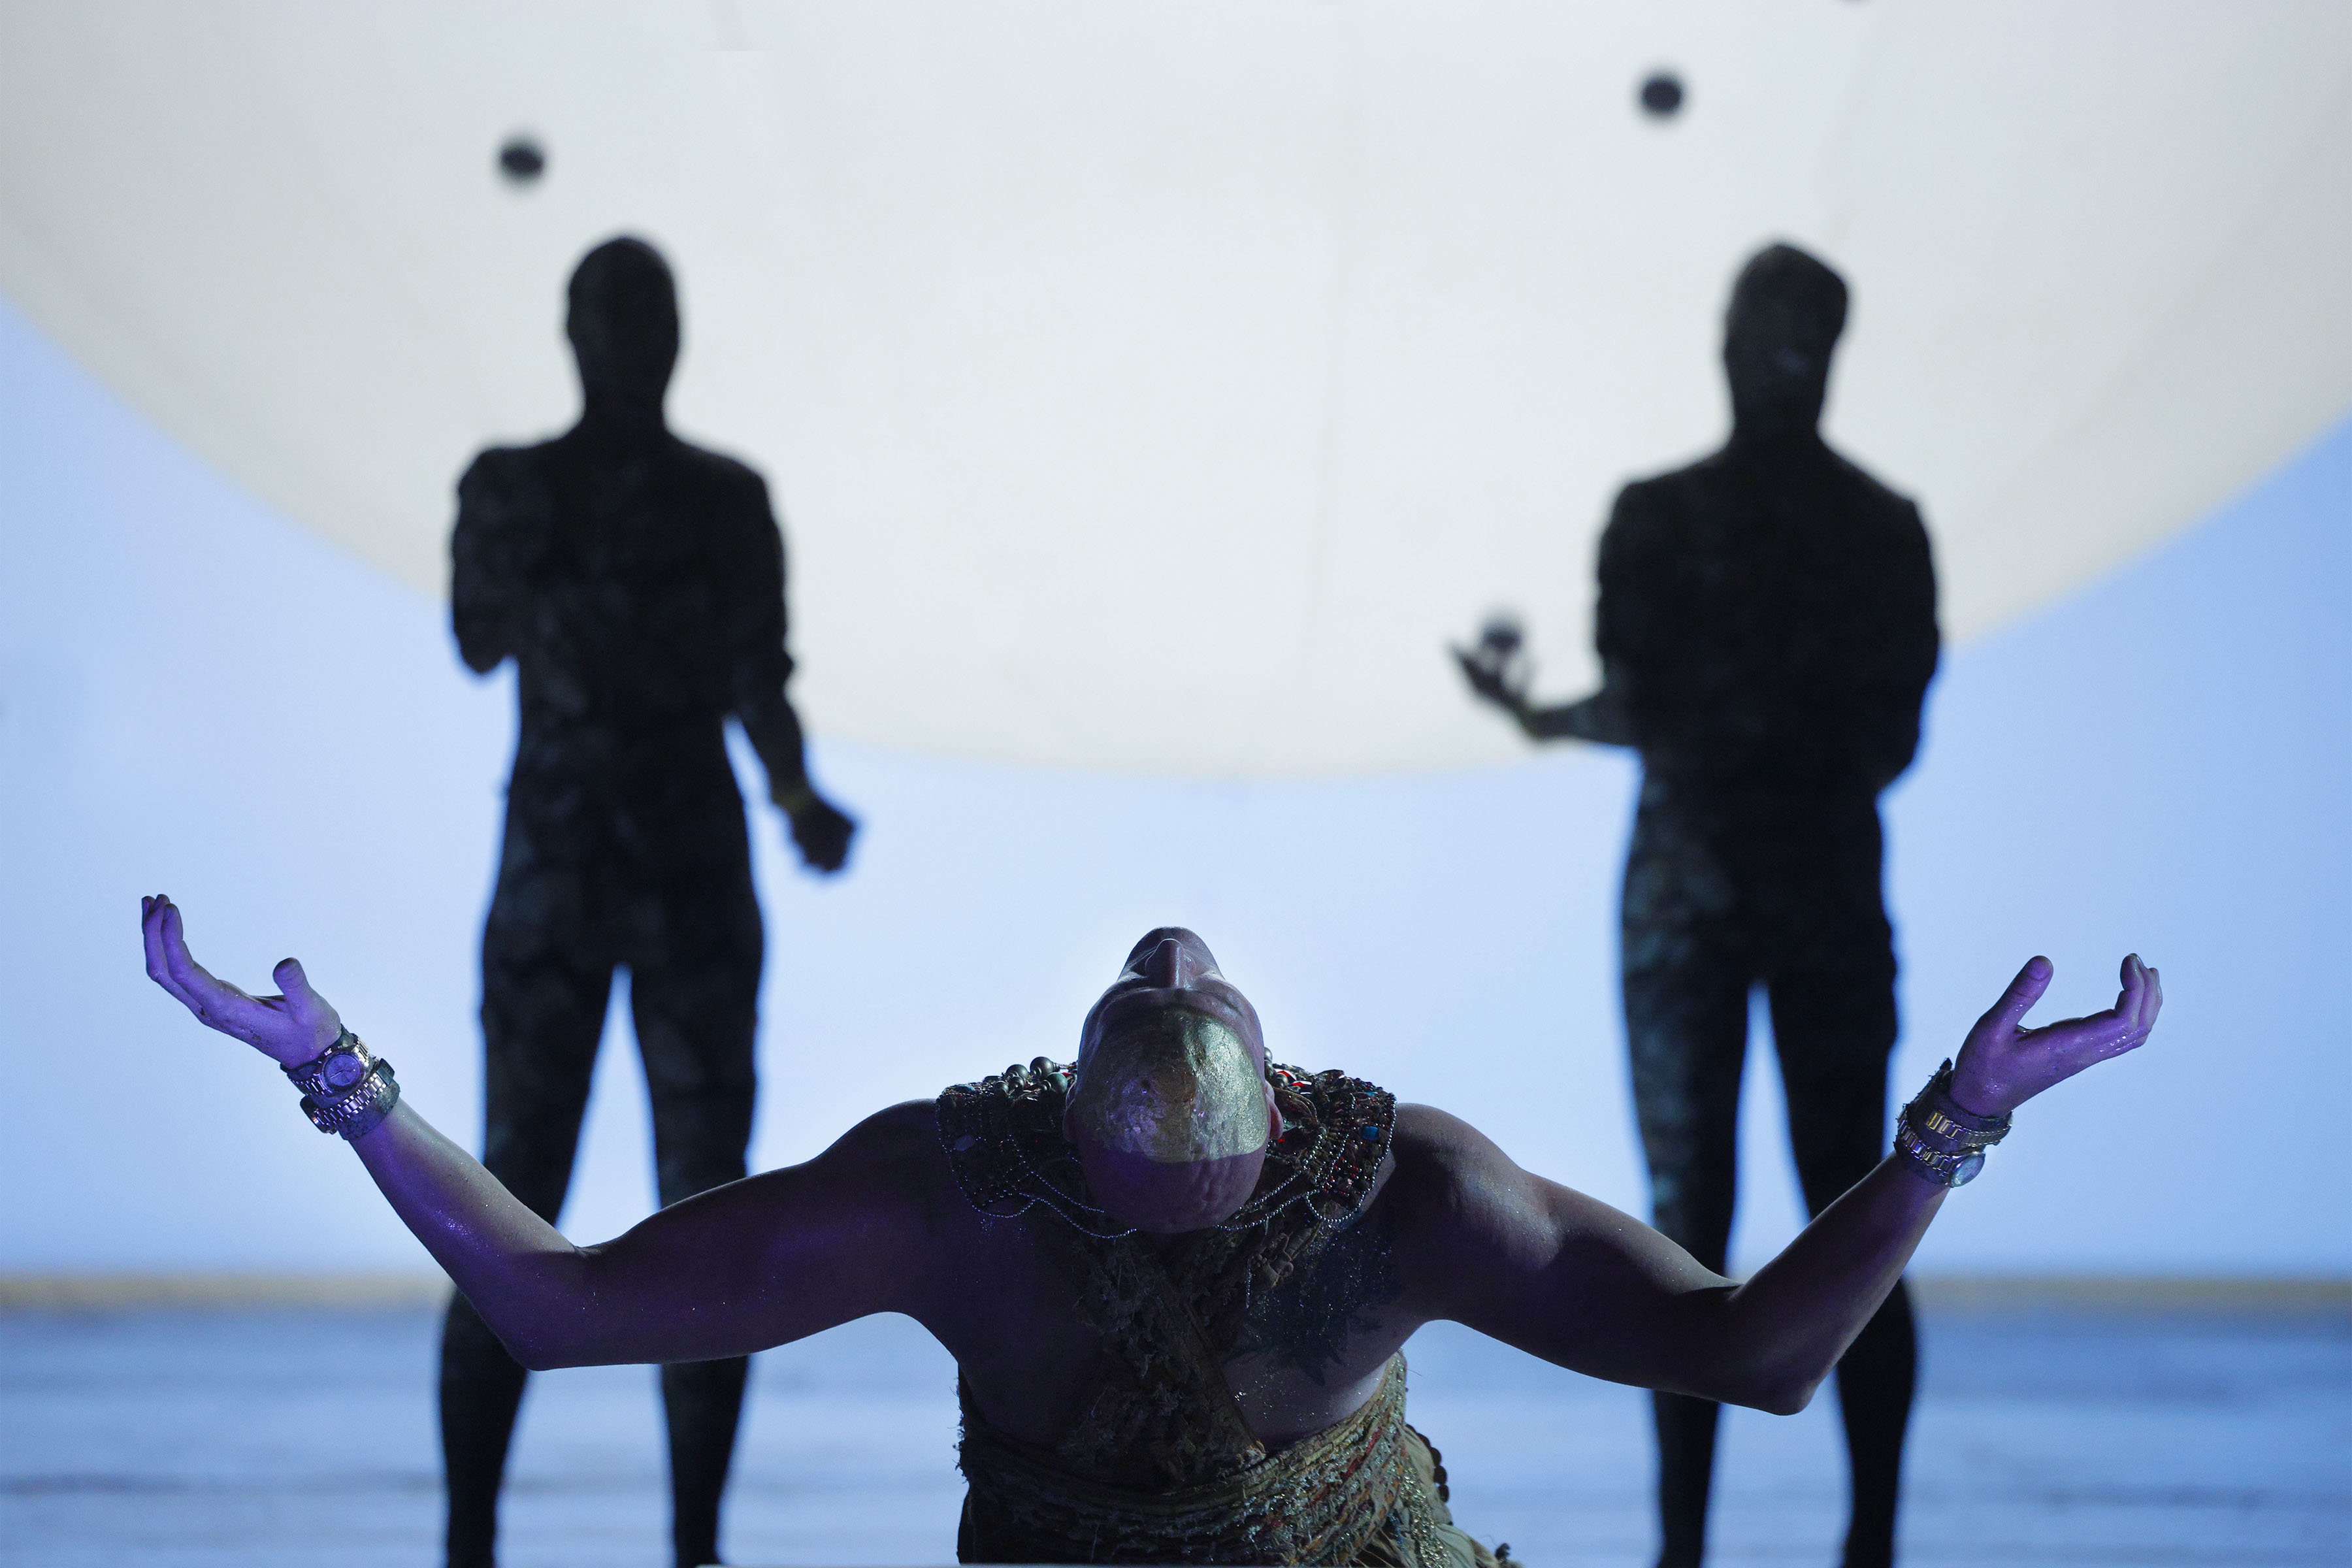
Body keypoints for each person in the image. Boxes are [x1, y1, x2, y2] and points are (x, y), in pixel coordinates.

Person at [140, 900, 2159, 1567]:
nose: (1177, 946)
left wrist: (342, 1079)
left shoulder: (954, 1200)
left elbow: (553, 1308)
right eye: (1177, 982)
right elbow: (1759, 1354)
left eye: (1166, 978)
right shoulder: (1409, 1202)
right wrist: (1953, 1127)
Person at [1457, 243, 1938, 1567]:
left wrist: (1541, 717)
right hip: (1813, 886)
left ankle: (1689, 1552)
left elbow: (1639, 703)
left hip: (1688, 904)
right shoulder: (1879, 526)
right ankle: (1861, 1547)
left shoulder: (1662, 514)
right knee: (1860, 1208)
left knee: (1707, 1224)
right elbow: (1891, 740)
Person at [444, 236, 857, 1568]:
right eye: (616, 318)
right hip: (583, 885)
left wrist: (796, 797)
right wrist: (793, 798)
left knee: (707, 1217)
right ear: (578, 337)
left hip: (658, 883)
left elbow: (757, 678)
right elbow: (478, 635)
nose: (633, 342)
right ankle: (473, 1542)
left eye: (647, 318)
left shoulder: (717, 500)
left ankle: (691, 1545)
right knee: (514, 1199)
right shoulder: (520, 487)